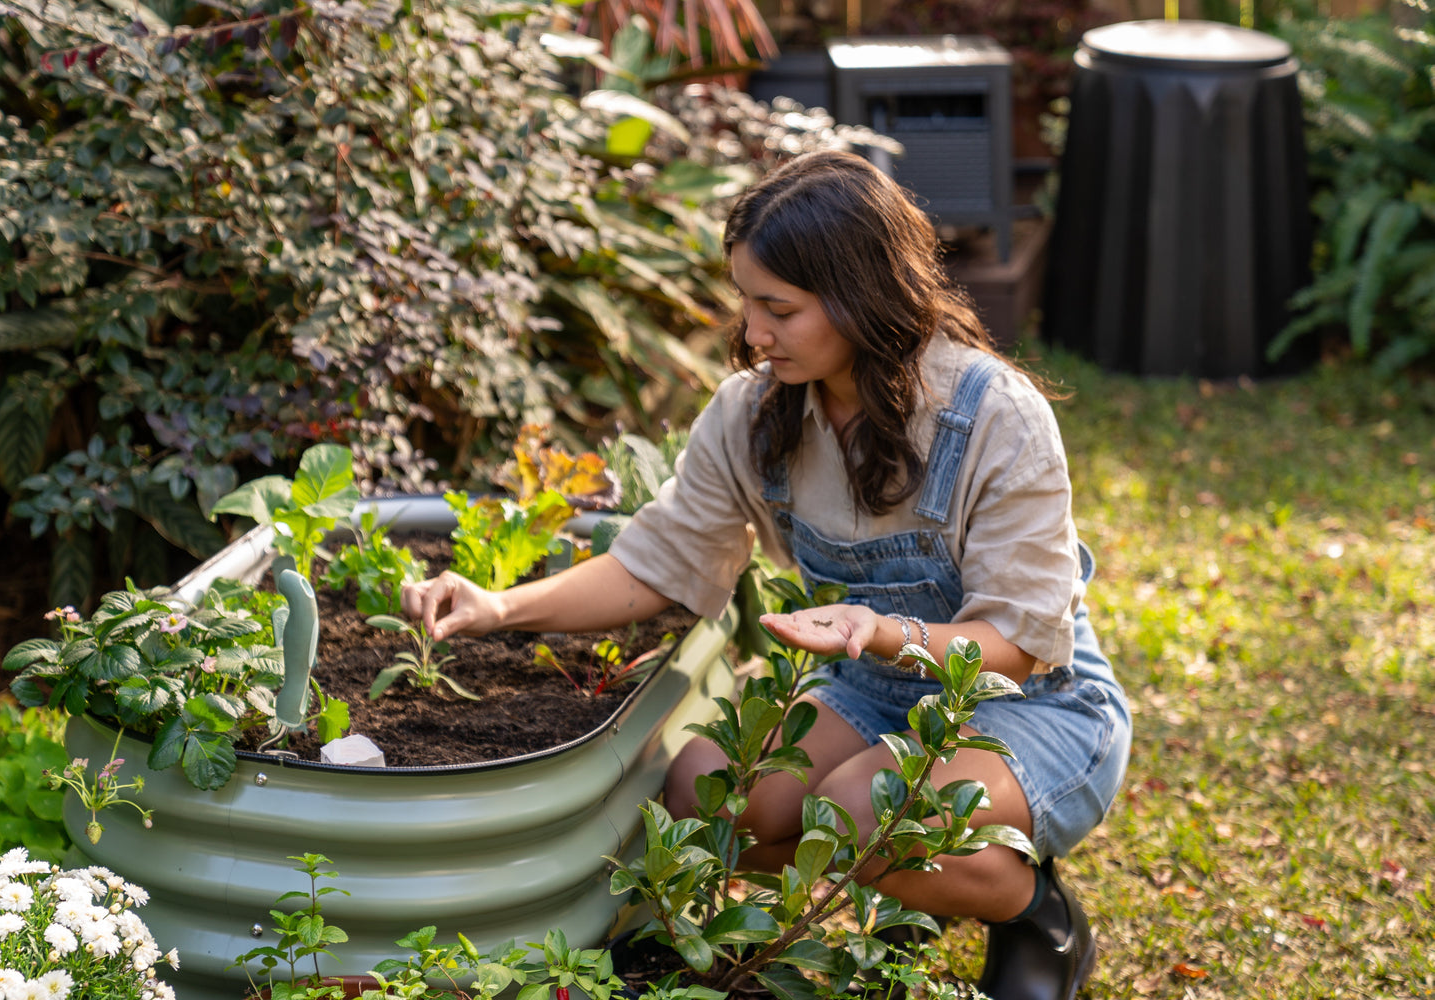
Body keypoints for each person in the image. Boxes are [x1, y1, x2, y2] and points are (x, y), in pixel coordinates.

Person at [402, 148, 1132, 1000]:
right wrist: (498, 608)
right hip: (875, 693)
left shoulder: (997, 418)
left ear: (862, 296)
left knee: (863, 812)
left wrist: (881, 631)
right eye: (746, 302)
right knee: (711, 794)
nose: (752, 333)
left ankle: (1036, 915)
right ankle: (913, 886)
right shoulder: (754, 415)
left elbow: (1015, 643)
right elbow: (659, 565)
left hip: (1033, 704)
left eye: (777, 308)